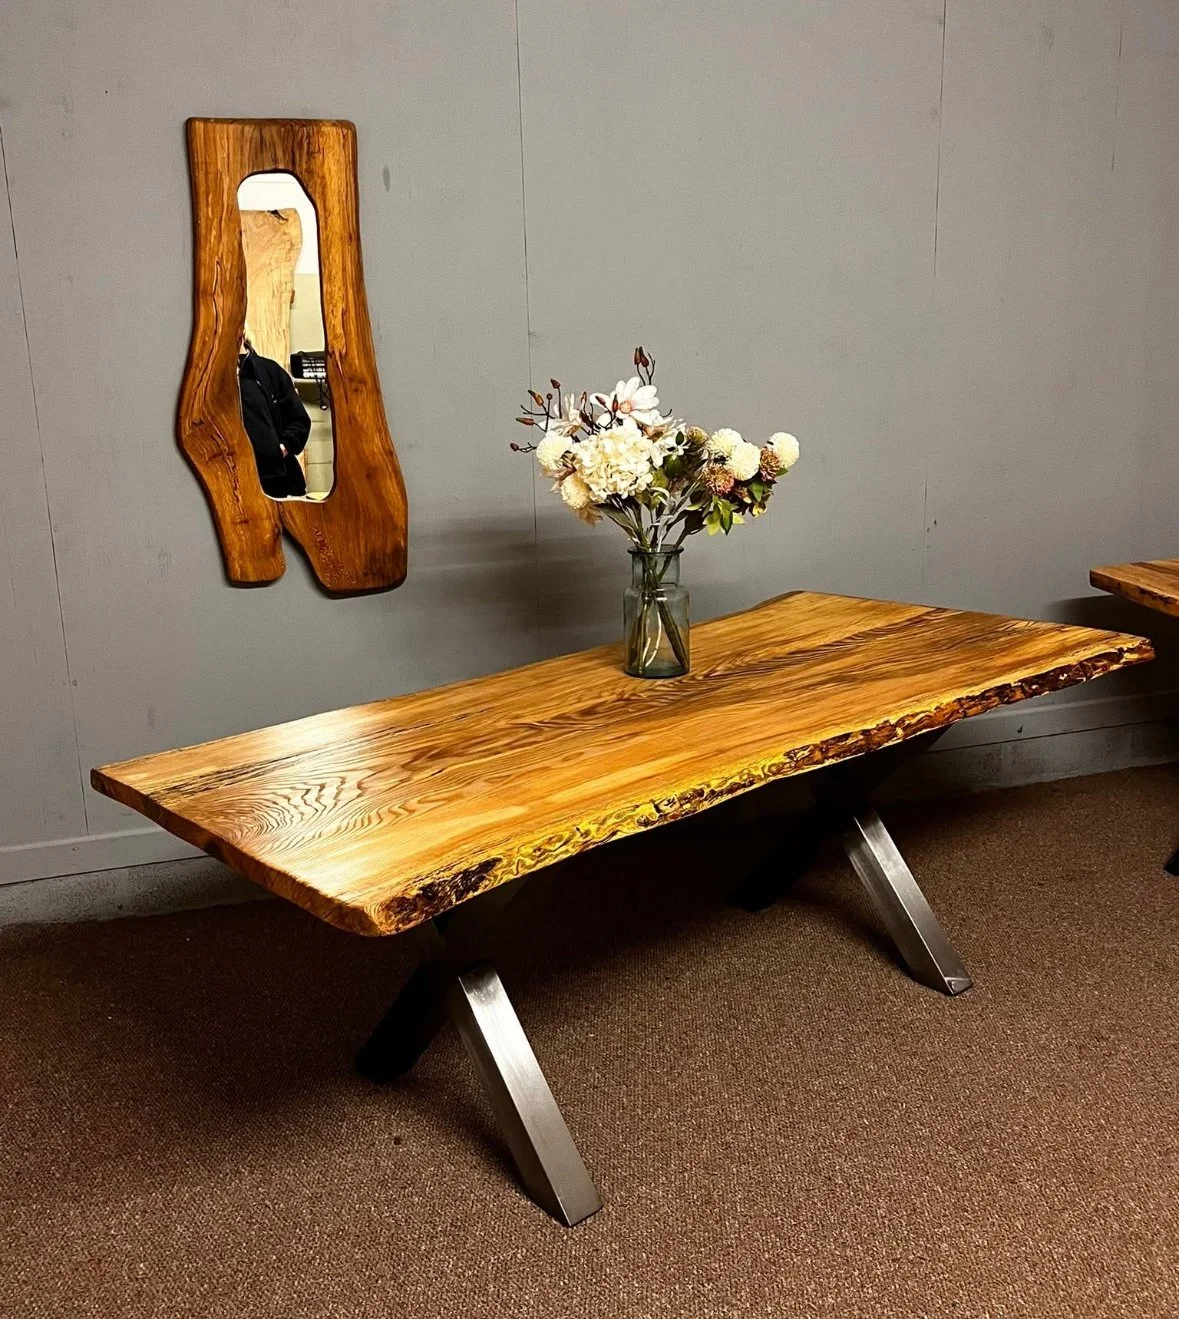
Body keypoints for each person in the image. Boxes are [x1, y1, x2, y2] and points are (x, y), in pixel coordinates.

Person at [237, 332, 312, 499]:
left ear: (242, 334)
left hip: (280, 481)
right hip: (236, 484)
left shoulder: (269, 371)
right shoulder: (215, 380)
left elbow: (300, 421)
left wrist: (280, 450)